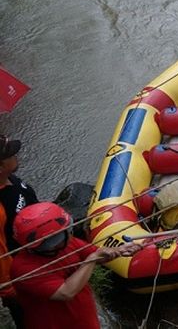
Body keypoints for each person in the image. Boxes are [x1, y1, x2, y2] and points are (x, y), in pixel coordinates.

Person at [10, 202, 141, 329]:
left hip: (84, 318)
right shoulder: (23, 268)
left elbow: (97, 254)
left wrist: (120, 250)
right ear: (51, 241)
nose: (70, 233)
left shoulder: (68, 244)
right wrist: (91, 259)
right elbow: (66, 292)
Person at [0, 136, 38, 328]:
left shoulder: (11, 180)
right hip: (19, 272)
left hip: (36, 256)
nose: (16, 155)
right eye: (10, 154)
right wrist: (8, 287)